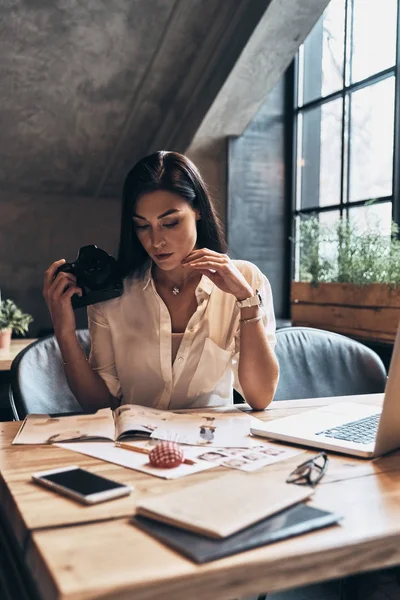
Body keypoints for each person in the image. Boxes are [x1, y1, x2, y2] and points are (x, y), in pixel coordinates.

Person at [43, 151, 279, 412]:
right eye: (143, 226)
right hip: (134, 446)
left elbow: (261, 398)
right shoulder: (114, 293)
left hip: (211, 444)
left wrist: (247, 302)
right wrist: (64, 332)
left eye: (170, 223)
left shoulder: (246, 279)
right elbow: (101, 406)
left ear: (198, 210)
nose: (155, 241)